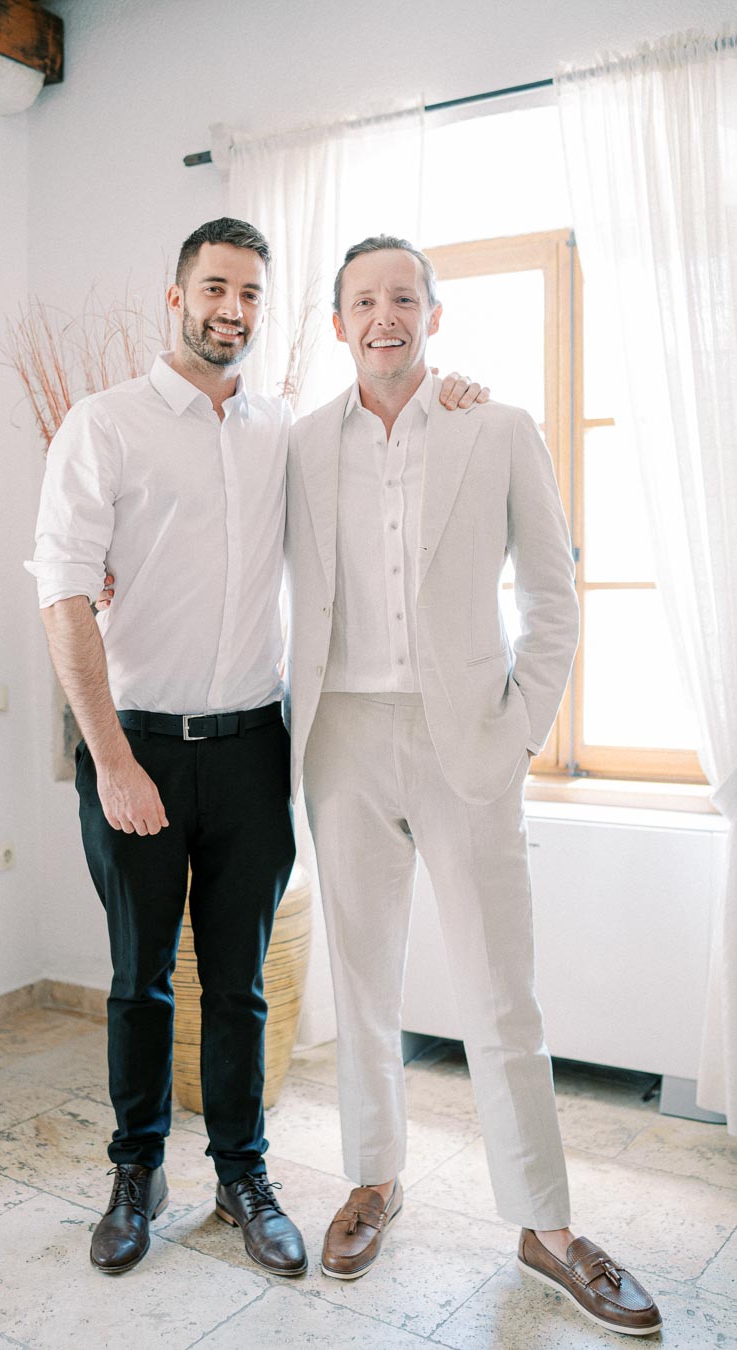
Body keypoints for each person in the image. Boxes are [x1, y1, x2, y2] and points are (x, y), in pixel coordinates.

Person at [26, 217, 484, 1279]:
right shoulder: (104, 427)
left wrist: (454, 392)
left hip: (253, 749)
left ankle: (244, 1176)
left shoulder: (287, 430)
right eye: (216, 288)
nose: (233, 310)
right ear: (176, 296)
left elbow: (388, 434)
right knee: (141, 980)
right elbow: (63, 599)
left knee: (239, 985)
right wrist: (113, 762)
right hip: (135, 744)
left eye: (250, 296)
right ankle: (135, 1174)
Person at [283, 235, 662, 1337]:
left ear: (434, 316)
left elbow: (556, 597)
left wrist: (517, 734)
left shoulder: (495, 427)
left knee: (503, 995)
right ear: (338, 322)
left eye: (404, 297)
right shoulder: (301, 445)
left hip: (469, 744)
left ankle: (546, 1227)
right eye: (364, 300)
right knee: (360, 988)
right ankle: (373, 1179)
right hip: (340, 739)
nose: (384, 315)